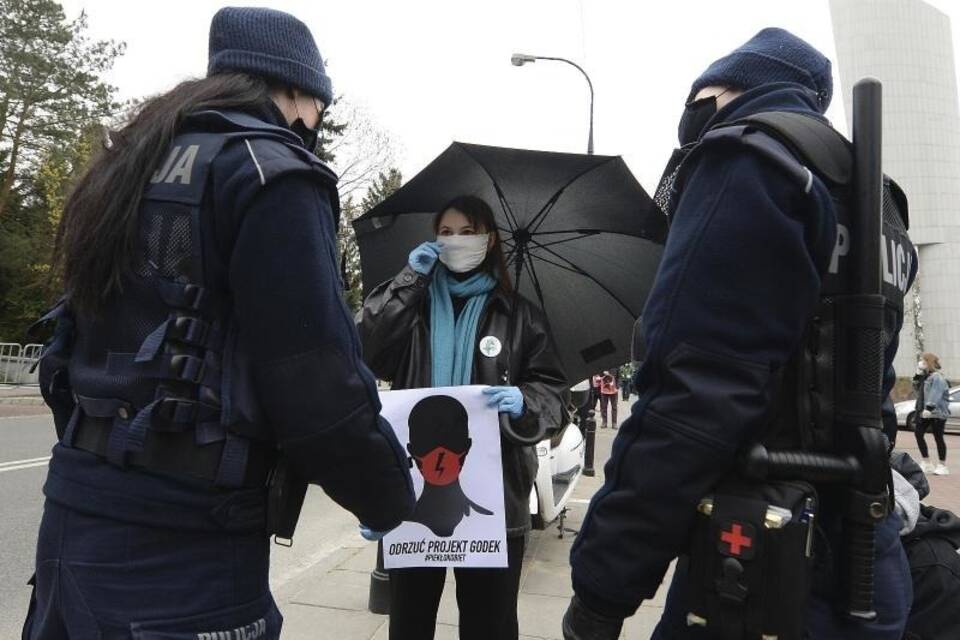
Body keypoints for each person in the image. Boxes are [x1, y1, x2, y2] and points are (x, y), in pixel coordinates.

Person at [22, 8, 414, 639]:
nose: (314, 125)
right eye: (319, 107)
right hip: (185, 544)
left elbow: (70, 343)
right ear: (297, 91)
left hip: (77, 513)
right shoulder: (271, 172)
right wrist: (388, 494)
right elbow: (314, 377)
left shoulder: (131, 161)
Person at [564, 28, 914, 639]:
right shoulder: (874, 194)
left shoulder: (752, 161)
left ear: (726, 90)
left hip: (760, 563)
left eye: (698, 95)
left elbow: (695, 399)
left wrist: (603, 584)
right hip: (868, 555)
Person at [359, 194, 568, 640]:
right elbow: (366, 348)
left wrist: (524, 401)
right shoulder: (411, 306)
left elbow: (553, 394)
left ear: (489, 240)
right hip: (414, 496)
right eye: (446, 232)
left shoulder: (520, 315)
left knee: (489, 624)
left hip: (497, 499)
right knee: (410, 623)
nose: (456, 241)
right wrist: (409, 279)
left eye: (468, 232)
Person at [913, 352, 951, 475]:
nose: (920, 363)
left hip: (937, 412)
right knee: (918, 433)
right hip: (925, 412)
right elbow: (916, 389)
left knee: (938, 437)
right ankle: (927, 462)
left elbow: (936, 393)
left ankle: (942, 465)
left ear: (928, 362)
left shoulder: (937, 377)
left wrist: (929, 408)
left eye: (923, 361)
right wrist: (917, 375)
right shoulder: (926, 376)